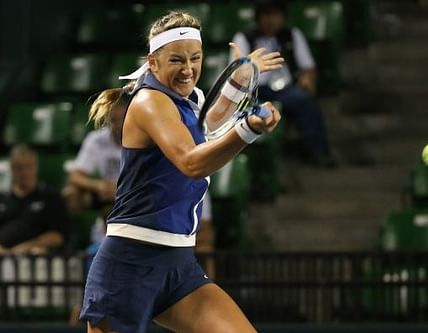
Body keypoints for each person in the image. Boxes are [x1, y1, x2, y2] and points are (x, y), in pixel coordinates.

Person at [79, 10, 283, 333]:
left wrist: (237, 83)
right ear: (153, 61)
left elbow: (209, 128)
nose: (188, 69)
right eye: (176, 60)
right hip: (130, 264)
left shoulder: (190, 100)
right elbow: (192, 162)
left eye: (195, 58)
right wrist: (248, 130)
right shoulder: (149, 102)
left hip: (179, 267)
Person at [231, 0, 335, 167]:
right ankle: (255, 165)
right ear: (258, 17)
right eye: (266, 14)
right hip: (255, 91)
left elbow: (308, 67)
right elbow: (236, 75)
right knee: (246, 112)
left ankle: (318, 152)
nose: (271, 20)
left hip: (285, 89)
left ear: (283, 17)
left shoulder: (292, 35)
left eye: (275, 14)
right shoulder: (243, 38)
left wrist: (307, 79)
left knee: (305, 101)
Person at [0, 144, 67, 255]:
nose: (25, 172)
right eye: (20, 168)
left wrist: (28, 247)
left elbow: (58, 236)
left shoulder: (50, 197)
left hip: (35, 257)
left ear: (36, 167)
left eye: (29, 167)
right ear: (12, 169)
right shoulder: (2, 198)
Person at [63, 125, 121, 216]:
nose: (118, 126)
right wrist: (99, 186)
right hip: (105, 192)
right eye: (114, 120)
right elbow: (75, 177)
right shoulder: (96, 138)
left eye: (122, 119)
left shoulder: (142, 135)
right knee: (71, 194)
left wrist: (121, 190)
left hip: (134, 191)